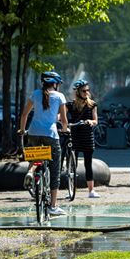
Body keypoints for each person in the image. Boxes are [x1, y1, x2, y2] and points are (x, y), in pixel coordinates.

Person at [17, 71, 69, 215]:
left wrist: (22, 130)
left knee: (35, 158)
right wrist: (65, 129)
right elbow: (64, 120)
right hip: (51, 135)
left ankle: (30, 171)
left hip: (33, 133)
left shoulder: (35, 94)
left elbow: (24, 114)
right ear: (55, 84)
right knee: (54, 170)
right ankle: (53, 206)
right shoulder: (59, 96)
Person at [66, 80, 101, 198]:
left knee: (88, 164)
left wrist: (91, 121)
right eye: (83, 90)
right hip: (74, 136)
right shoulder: (70, 105)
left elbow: (96, 120)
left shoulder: (92, 105)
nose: (86, 92)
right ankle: (71, 190)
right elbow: (62, 115)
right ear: (78, 92)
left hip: (87, 136)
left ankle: (91, 191)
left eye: (87, 90)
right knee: (72, 165)